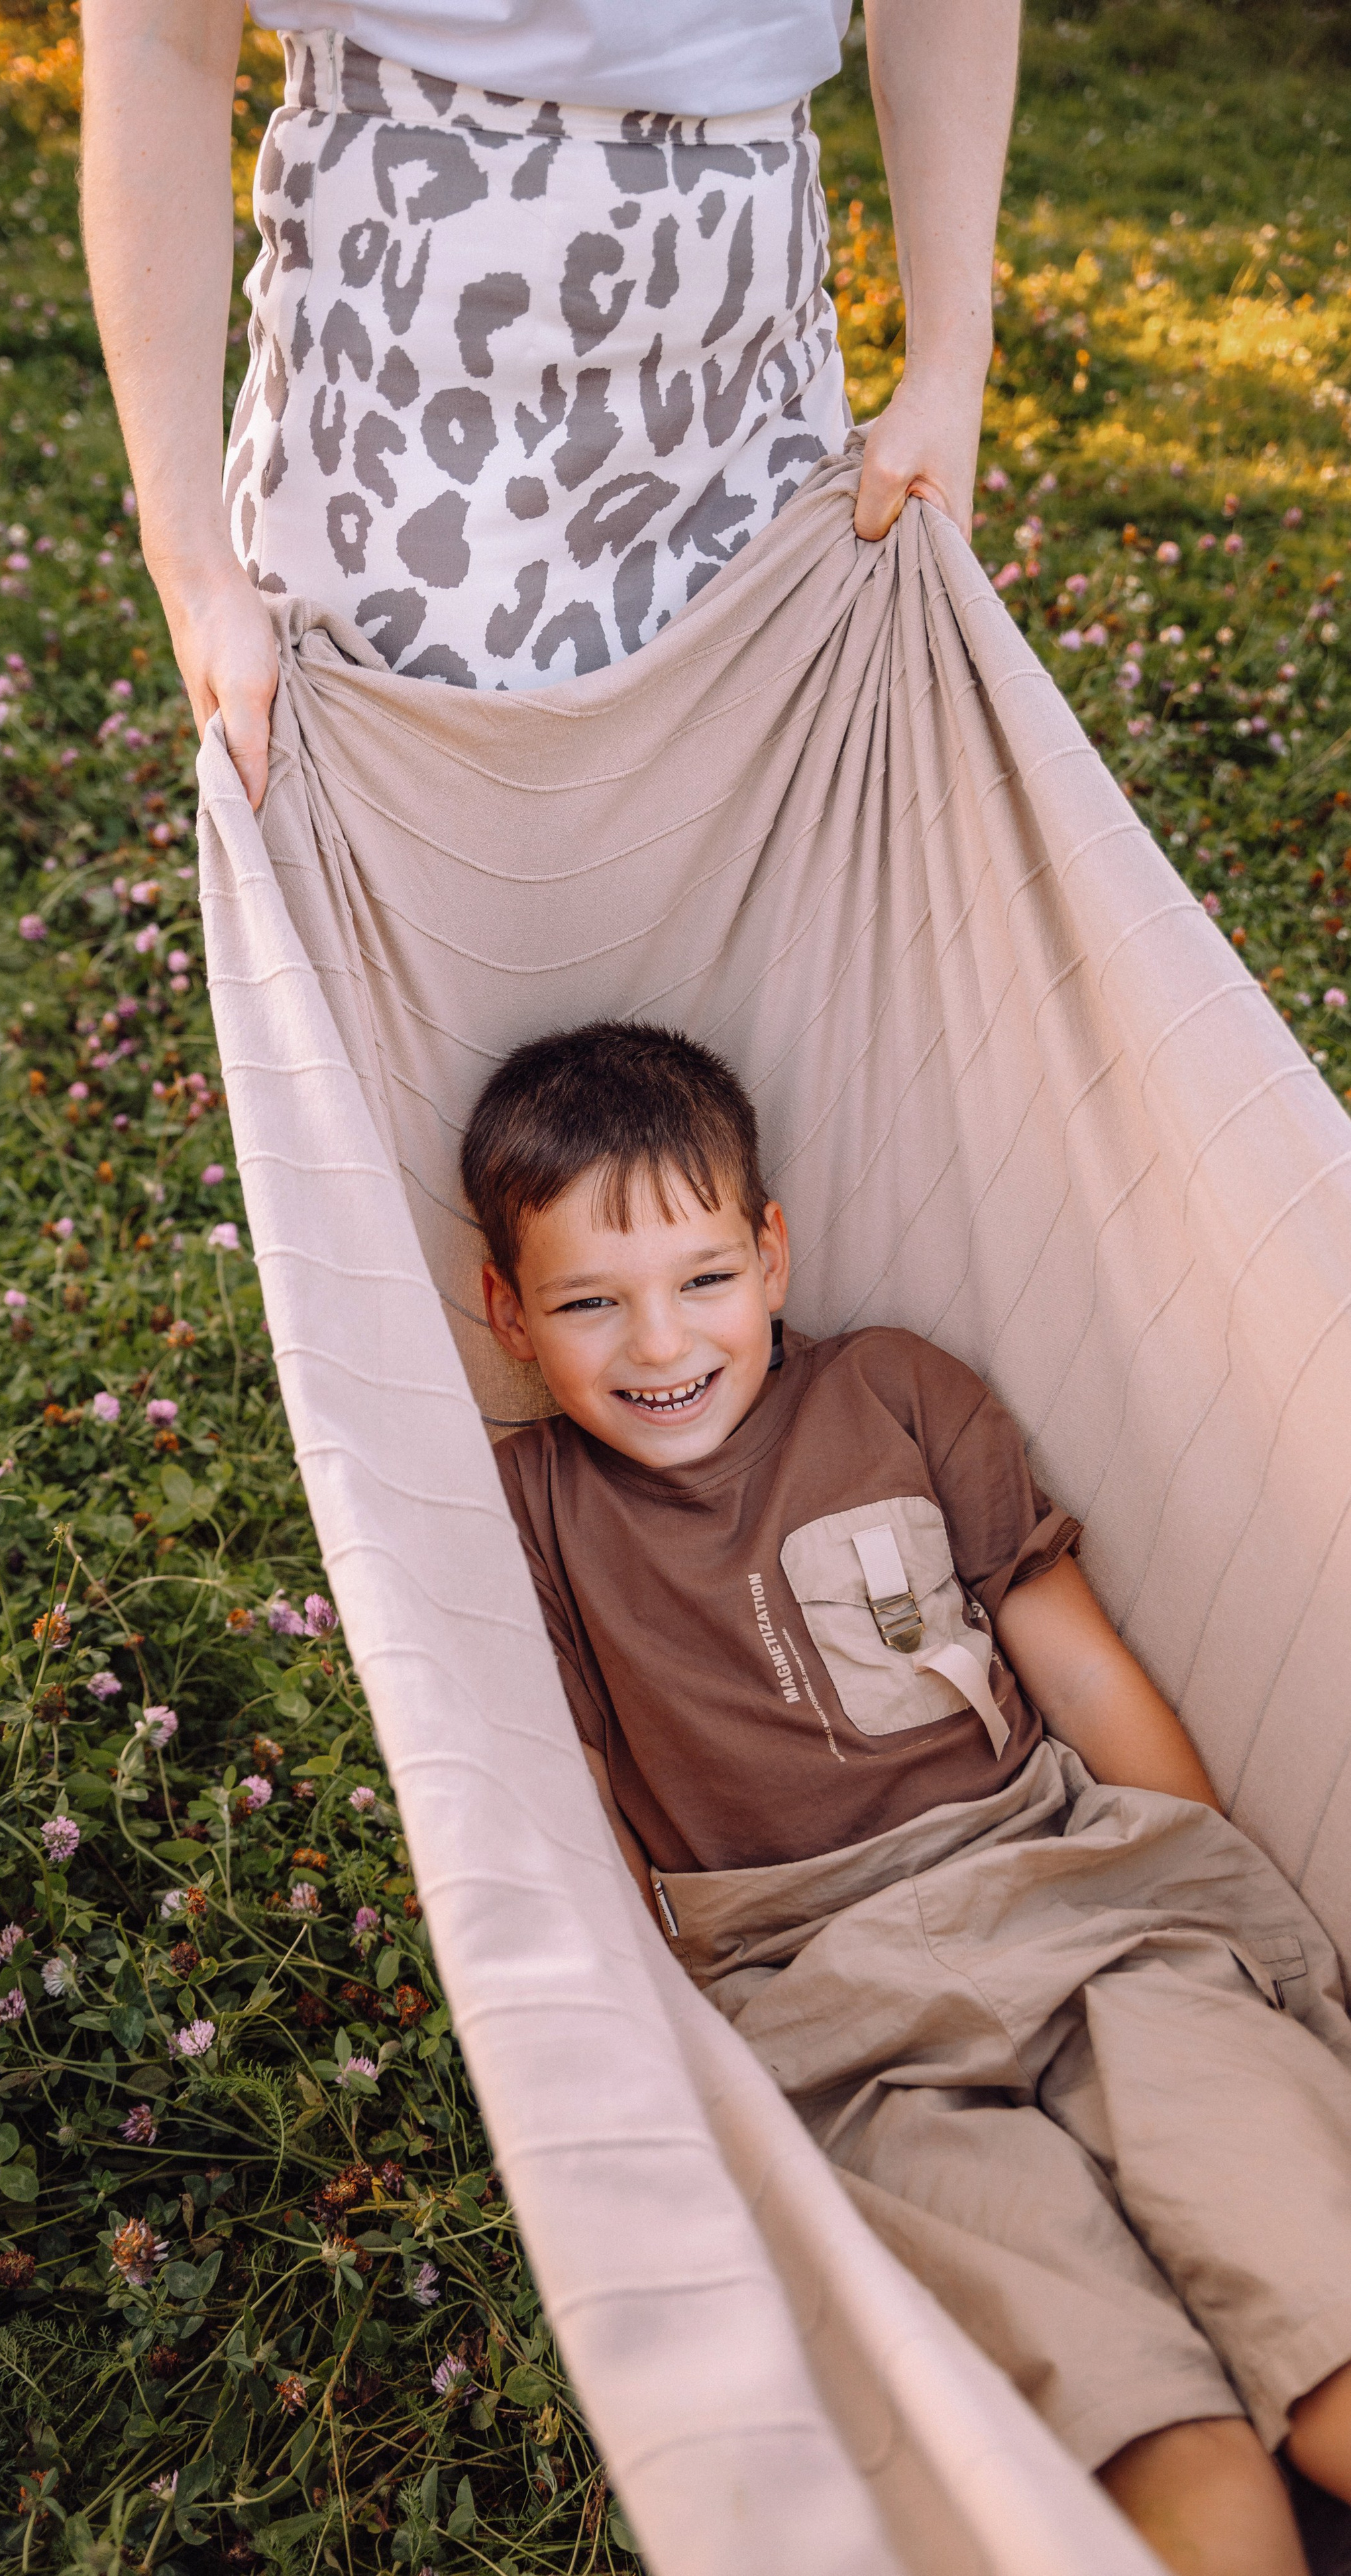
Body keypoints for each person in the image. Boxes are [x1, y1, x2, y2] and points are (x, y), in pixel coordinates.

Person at [462, 1018, 1351, 2576]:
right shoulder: (521, 1508)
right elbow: (581, 1802)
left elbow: (1072, 1673)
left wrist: (1205, 1879)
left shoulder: (896, 1390)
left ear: (773, 1253)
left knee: (1313, 2288)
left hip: (1082, 1899)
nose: (660, 1347)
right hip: (823, 2001)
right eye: (589, 1305)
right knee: (1147, 2424)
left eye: (704, 1281)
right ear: (505, 1312)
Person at [80, 0, 1020, 802]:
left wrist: (950, 358)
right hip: (389, 438)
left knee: (753, 972)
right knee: (388, 981)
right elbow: (161, 39)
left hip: (755, 423)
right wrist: (191, 565)